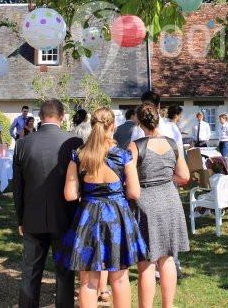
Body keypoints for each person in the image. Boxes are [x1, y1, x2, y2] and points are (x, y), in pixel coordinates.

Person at [55, 108, 147, 308]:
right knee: (120, 278)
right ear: (112, 126)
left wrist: (87, 193)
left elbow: (70, 194)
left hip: (88, 216)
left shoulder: (79, 156)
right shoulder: (123, 156)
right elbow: (134, 193)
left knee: (88, 281)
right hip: (117, 216)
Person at [13, 99, 83, 308]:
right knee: (64, 273)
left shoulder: (23, 143)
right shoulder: (74, 142)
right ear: (62, 116)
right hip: (65, 216)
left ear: (41, 116)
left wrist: (20, 217)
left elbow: (18, 187)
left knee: (30, 272)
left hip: (32, 216)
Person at [129, 103, 190, 308]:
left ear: (139, 122)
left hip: (146, 203)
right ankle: (168, 306)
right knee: (168, 258)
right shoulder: (172, 143)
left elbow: (131, 185)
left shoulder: (135, 146)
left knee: (146, 263)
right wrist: (166, 177)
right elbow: (184, 176)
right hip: (170, 200)